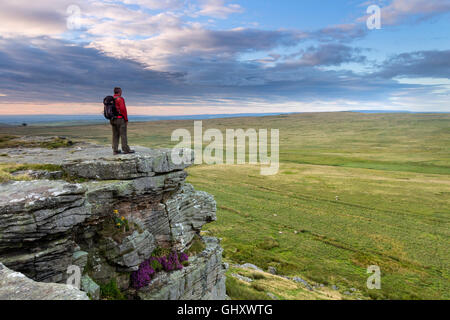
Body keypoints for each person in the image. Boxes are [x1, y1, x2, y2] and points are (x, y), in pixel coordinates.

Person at [111, 87, 135, 155]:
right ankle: (126, 149)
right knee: (123, 134)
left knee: (115, 135)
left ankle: (115, 150)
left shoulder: (111, 99)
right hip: (120, 119)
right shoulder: (120, 99)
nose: (121, 92)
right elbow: (123, 109)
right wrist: (126, 119)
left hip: (112, 119)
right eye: (121, 91)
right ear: (119, 92)